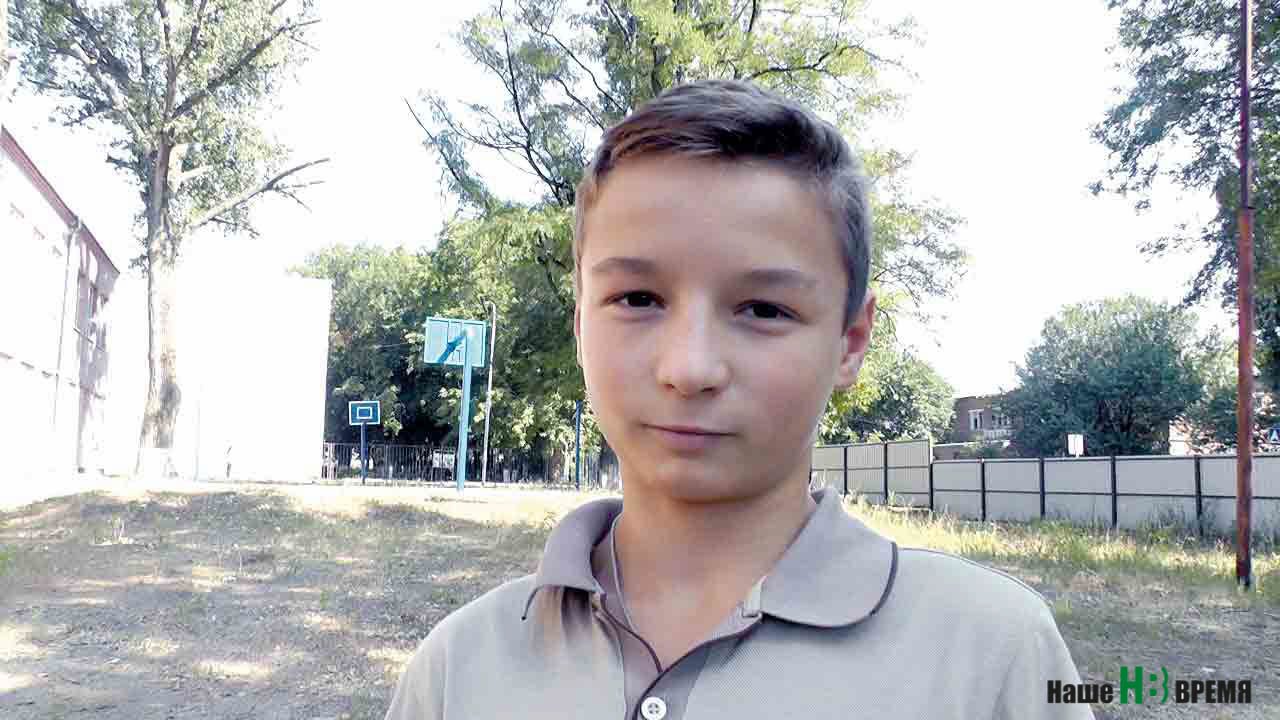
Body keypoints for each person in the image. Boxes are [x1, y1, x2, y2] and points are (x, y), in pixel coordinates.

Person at [384, 79, 1093, 720]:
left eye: (763, 309)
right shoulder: (458, 669)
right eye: (637, 298)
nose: (690, 368)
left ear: (850, 342)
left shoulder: (993, 658)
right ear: (579, 327)